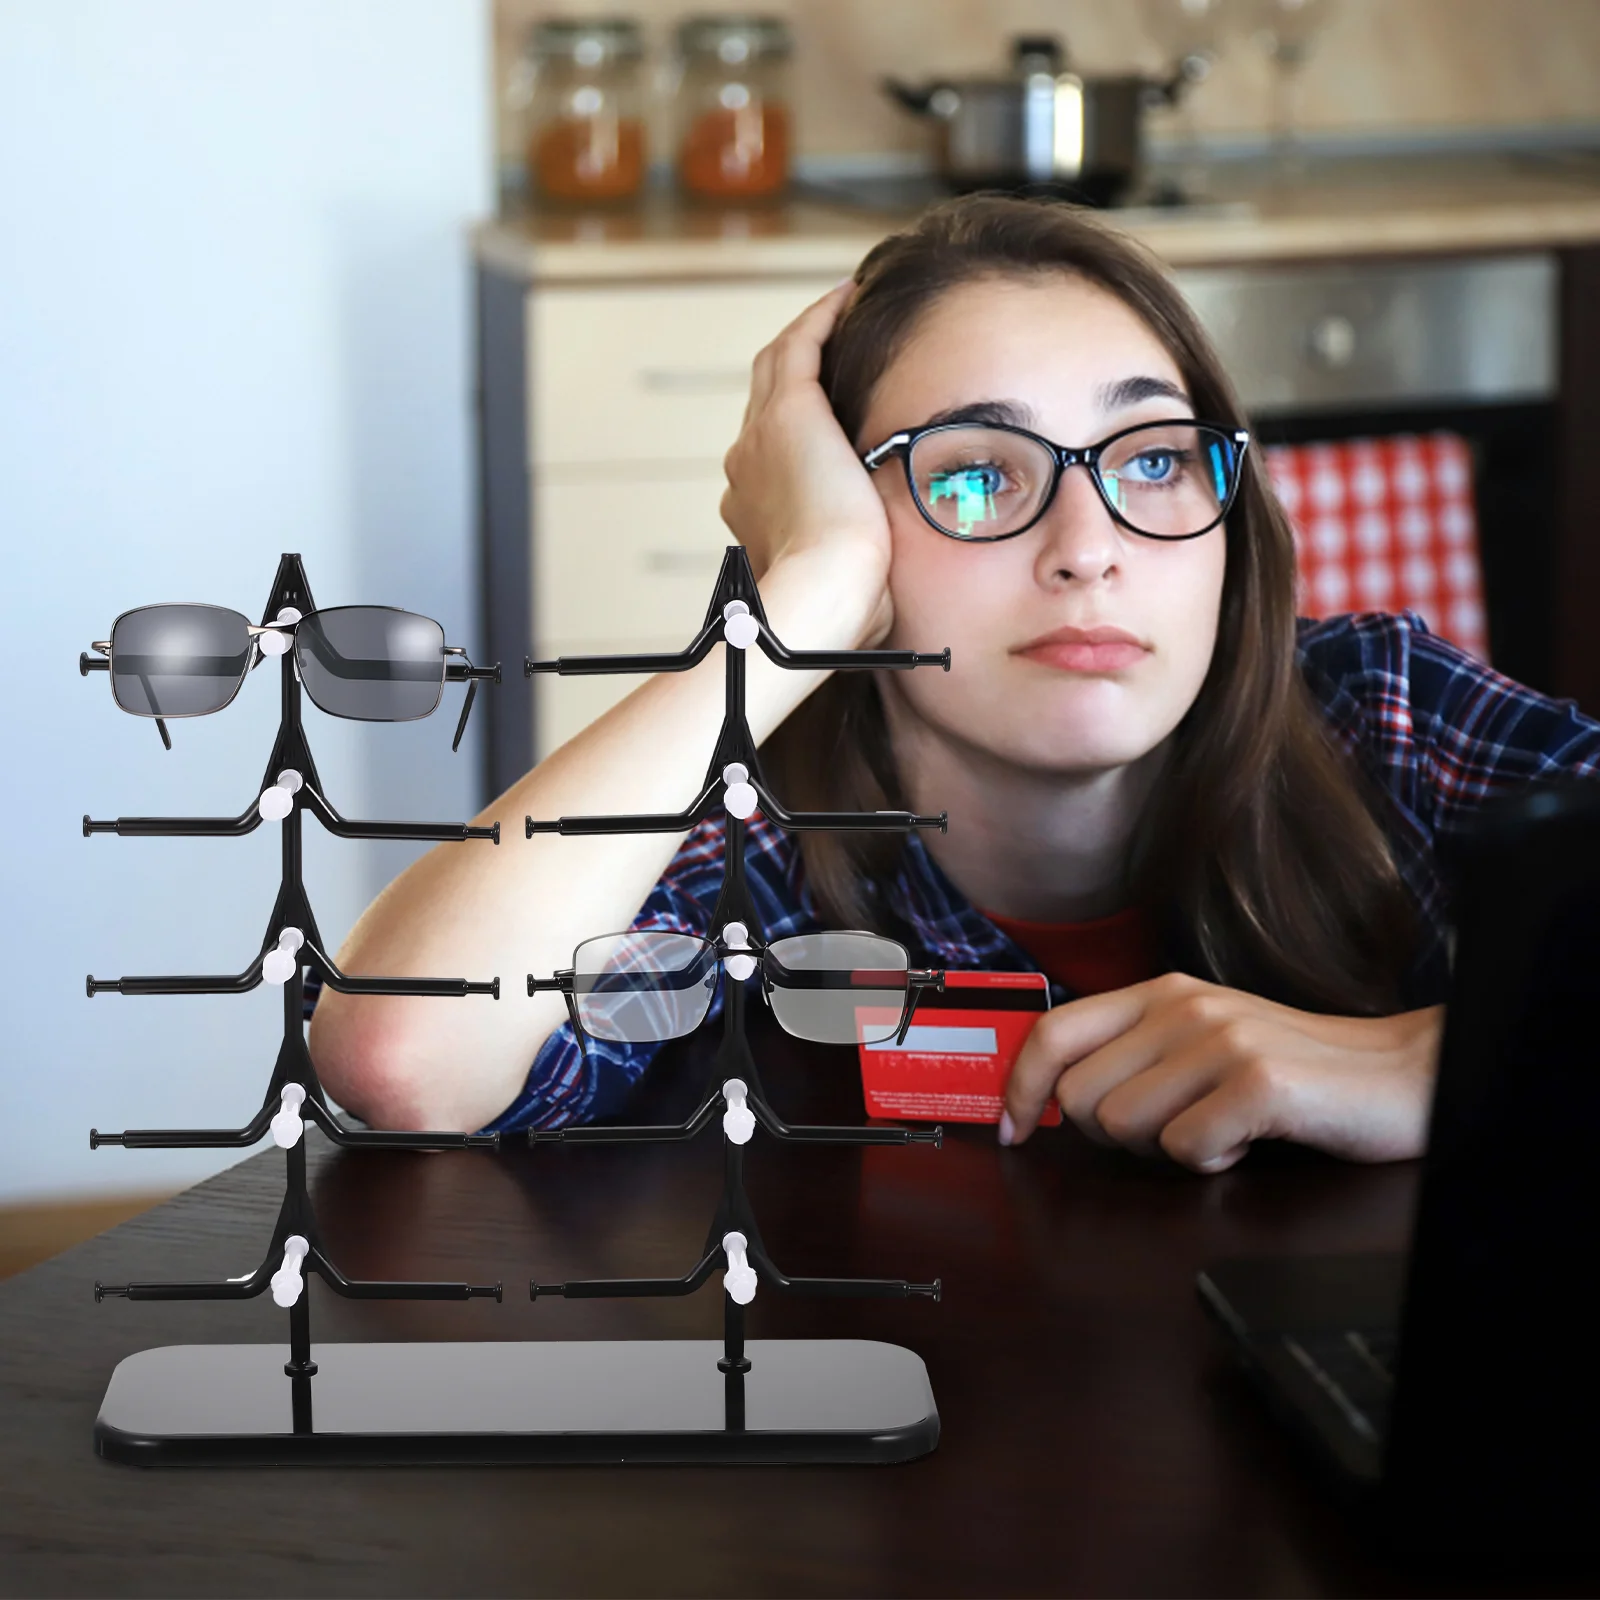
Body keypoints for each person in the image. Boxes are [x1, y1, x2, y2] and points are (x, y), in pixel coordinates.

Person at [308, 195, 1600, 1173]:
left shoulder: (1383, 710)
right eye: (974, 476)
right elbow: (400, 1059)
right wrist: (798, 601)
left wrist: (1437, 1064)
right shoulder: (750, 866)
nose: (1087, 548)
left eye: (1151, 460)